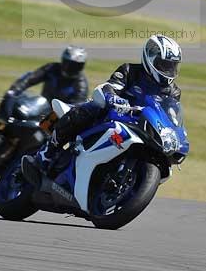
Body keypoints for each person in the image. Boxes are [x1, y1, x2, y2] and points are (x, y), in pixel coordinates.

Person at [21, 34, 183, 183]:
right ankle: (47, 154)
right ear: (150, 58)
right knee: (90, 108)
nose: (169, 70)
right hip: (115, 114)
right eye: (164, 65)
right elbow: (110, 87)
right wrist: (114, 97)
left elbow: (170, 116)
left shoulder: (174, 92)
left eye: (172, 66)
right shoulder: (130, 70)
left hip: (142, 127)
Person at [0, 46, 89, 121]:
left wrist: (62, 117)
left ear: (81, 66)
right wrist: (14, 91)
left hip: (56, 117)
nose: (69, 67)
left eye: (74, 65)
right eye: (68, 63)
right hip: (38, 106)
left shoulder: (81, 85)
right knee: (11, 104)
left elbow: (76, 107)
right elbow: (30, 79)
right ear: (63, 60)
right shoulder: (52, 68)